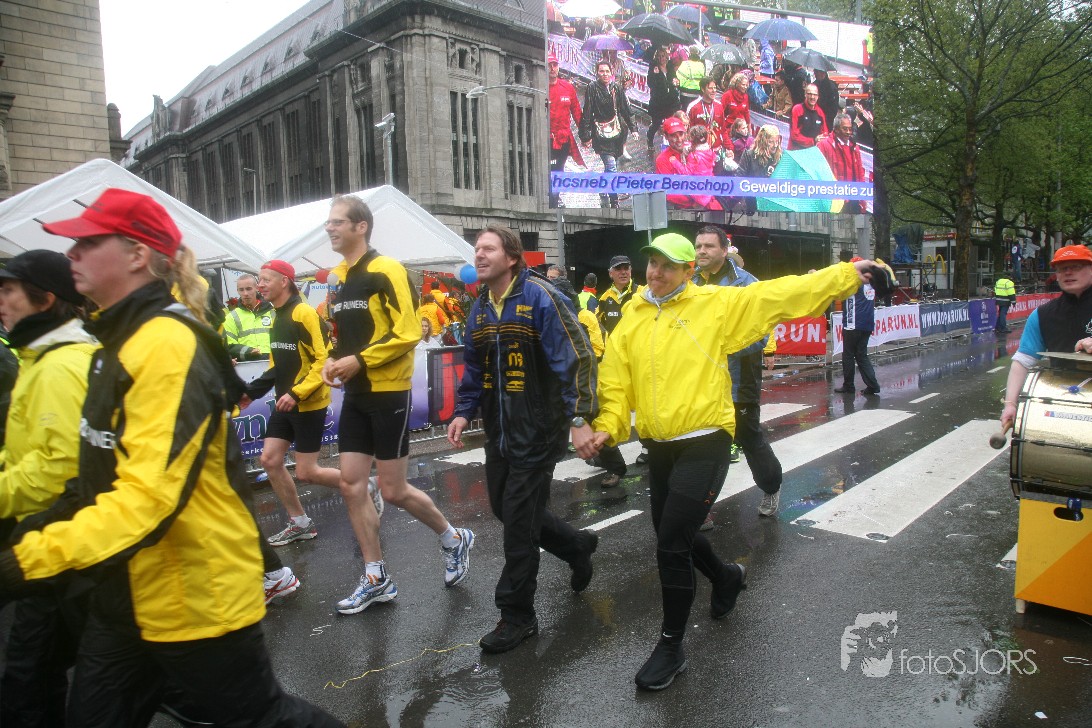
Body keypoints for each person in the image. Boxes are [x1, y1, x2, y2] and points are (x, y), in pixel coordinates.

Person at [0, 188, 343, 726]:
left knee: (262, 717)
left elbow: (148, 498)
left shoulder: (164, 344)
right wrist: (35, 533)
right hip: (126, 591)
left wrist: (25, 561)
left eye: (87, 243)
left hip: (194, 592)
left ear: (137, 255)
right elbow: (97, 470)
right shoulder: (116, 340)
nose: (72, 255)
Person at [581, 232, 877, 690]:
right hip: (661, 445)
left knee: (671, 543)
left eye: (668, 266)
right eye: (652, 264)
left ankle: (671, 646)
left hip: (707, 440)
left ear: (688, 272)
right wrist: (608, 426)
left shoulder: (714, 304)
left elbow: (780, 294)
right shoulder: (633, 317)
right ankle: (725, 577)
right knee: (672, 533)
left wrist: (844, 275)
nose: (656, 273)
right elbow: (616, 384)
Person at [447, 225, 599, 653]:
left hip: (539, 428)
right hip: (499, 428)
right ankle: (576, 545)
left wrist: (578, 416)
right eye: (476, 248)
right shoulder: (480, 308)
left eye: (488, 248)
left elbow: (577, 356)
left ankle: (517, 616)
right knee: (505, 507)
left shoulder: (541, 297)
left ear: (512, 257)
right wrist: (463, 410)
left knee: (518, 522)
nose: (479, 254)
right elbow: (474, 367)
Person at [320, 194, 474, 615]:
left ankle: (453, 538)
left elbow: (407, 331)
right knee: (351, 484)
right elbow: (343, 335)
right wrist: (332, 359)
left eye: (337, 222)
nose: (329, 228)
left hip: (388, 389)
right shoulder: (339, 278)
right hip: (355, 393)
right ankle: (376, 576)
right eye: (328, 222)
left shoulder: (386, 269)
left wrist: (359, 360)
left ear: (361, 227)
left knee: (393, 489)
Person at [0, 250, 94, 727]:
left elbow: (62, 468)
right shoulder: (38, 358)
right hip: (50, 539)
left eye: (9, 291)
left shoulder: (59, 366)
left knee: (29, 678)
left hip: (58, 538)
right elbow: (29, 450)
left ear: (46, 299)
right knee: (36, 674)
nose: (1, 302)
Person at [243, 260, 360, 548]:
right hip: (285, 402)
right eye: (259, 280)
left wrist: (297, 393)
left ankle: (364, 486)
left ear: (284, 281)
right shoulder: (277, 315)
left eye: (265, 279)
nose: (260, 285)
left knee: (307, 471)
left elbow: (324, 359)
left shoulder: (303, 313)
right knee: (269, 460)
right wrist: (250, 393)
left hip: (307, 403)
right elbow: (277, 365)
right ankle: (300, 523)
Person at [692, 228, 783, 517]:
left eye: (709, 246)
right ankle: (700, 506)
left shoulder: (746, 284)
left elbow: (762, 332)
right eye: (698, 246)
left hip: (738, 380)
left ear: (724, 250)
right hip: (701, 381)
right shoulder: (690, 282)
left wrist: (721, 347)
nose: (702, 251)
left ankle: (771, 486)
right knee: (704, 443)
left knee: (748, 437)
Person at [1001, 245, 1092, 432]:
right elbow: (1022, 361)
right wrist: (1010, 404)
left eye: (1076, 266)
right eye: (1062, 268)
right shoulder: (1043, 315)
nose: (1068, 272)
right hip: (1063, 402)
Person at [578, 60, 637, 209]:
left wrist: (634, 128)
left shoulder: (616, 88)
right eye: (601, 71)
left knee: (611, 167)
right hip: (601, 135)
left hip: (616, 134)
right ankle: (614, 200)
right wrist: (585, 136)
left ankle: (603, 187)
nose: (604, 74)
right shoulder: (592, 87)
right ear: (597, 73)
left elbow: (626, 109)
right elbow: (587, 111)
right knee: (611, 167)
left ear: (611, 73)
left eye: (607, 71)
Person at [835, 255, 881, 396]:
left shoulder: (853, 281)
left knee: (848, 355)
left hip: (852, 323)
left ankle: (848, 385)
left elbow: (838, 293)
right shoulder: (870, 281)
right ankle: (873, 385)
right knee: (862, 355)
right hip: (867, 323)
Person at [548, 53, 582, 208]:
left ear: (558, 66)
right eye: (549, 65)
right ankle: (550, 199)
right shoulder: (541, 88)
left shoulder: (568, 87)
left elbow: (577, 112)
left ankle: (555, 199)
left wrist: (586, 135)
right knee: (549, 170)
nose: (552, 68)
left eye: (554, 65)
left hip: (564, 140)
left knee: (559, 170)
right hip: (546, 139)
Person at [817, 112, 867, 214]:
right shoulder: (823, 145)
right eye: (845, 129)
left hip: (853, 199)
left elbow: (860, 173)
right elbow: (818, 173)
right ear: (836, 129)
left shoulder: (855, 147)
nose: (848, 132)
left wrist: (863, 198)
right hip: (835, 200)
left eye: (850, 129)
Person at [223, 273, 274, 361]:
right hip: (247, 364)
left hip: (273, 362)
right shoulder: (231, 317)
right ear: (237, 291)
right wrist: (248, 351)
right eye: (241, 290)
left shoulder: (273, 312)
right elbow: (229, 345)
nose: (245, 293)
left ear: (257, 288)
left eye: (248, 289)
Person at [646, 47, 682, 151]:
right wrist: (655, 74)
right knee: (656, 123)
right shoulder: (654, 67)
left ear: (666, 56)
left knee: (672, 122)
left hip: (671, 100)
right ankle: (649, 138)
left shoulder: (670, 66)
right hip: (658, 101)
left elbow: (674, 78)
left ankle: (670, 143)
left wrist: (676, 82)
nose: (661, 58)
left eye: (663, 56)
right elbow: (650, 83)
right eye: (659, 56)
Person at [598, 254, 635, 337]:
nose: (623, 272)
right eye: (618, 269)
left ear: (630, 271)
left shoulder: (641, 293)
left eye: (626, 268)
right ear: (610, 273)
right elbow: (597, 324)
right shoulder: (604, 298)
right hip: (612, 345)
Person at [685, 77, 725, 149]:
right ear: (703, 89)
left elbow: (723, 129)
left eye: (715, 88)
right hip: (699, 149)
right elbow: (688, 131)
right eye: (710, 88)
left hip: (717, 148)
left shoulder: (719, 105)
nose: (714, 91)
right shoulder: (693, 107)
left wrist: (729, 147)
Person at [789, 84, 827, 150]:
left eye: (815, 94)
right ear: (805, 95)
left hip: (813, 150)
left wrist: (820, 139)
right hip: (797, 150)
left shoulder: (820, 112)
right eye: (810, 94)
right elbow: (794, 135)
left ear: (818, 96)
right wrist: (813, 141)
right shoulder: (797, 109)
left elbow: (825, 133)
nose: (812, 97)